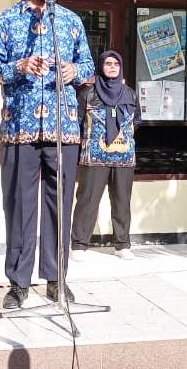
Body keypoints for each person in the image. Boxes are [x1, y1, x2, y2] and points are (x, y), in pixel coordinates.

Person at [0, 0, 94, 309]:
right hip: (19, 131)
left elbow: (88, 66)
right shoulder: (4, 23)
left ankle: (57, 280)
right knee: (19, 207)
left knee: (60, 206)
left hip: (64, 130)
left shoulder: (70, 21)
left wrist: (75, 71)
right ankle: (18, 283)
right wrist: (19, 66)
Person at [70, 50, 141, 261]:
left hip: (123, 157)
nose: (112, 67)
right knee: (87, 200)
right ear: (101, 67)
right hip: (94, 157)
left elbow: (136, 121)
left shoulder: (130, 94)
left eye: (116, 64)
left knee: (122, 201)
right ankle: (79, 244)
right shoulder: (87, 94)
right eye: (108, 63)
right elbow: (77, 123)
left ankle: (122, 245)